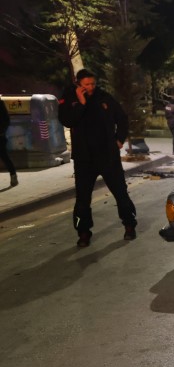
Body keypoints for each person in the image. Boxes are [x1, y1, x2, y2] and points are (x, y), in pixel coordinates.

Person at [57, 69, 137, 247]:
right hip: (84, 158)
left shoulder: (104, 97)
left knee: (120, 193)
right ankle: (83, 233)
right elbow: (68, 121)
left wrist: (119, 139)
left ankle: (130, 225)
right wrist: (82, 103)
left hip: (107, 155)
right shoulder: (69, 99)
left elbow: (122, 118)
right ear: (78, 84)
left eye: (93, 83)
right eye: (87, 84)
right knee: (82, 199)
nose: (91, 87)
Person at [0, 97, 17, 187]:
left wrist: (2, 131)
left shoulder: (0, 104)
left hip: (0, 136)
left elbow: (6, 119)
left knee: (4, 156)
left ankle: (13, 174)